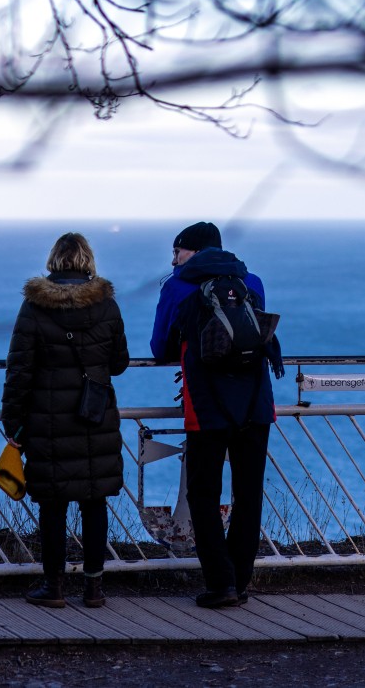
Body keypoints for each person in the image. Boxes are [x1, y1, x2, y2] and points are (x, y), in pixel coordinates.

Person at [150, 222, 284, 608]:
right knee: (248, 493)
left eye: (177, 251)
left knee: (203, 494)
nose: (173, 260)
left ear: (193, 251)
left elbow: (161, 348)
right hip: (256, 401)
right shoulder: (251, 281)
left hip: (206, 405)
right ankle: (240, 582)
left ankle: (220, 583)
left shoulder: (177, 286)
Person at [1, 233, 129, 608]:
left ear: (54, 261)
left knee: (53, 506)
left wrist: (13, 425)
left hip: (48, 421)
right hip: (95, 417)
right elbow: (118, 364)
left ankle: (53, 586)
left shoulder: (34, 307)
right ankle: (93, 588)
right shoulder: (107, 305)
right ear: (88, 260)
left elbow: (19, 370)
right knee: (94, 503)